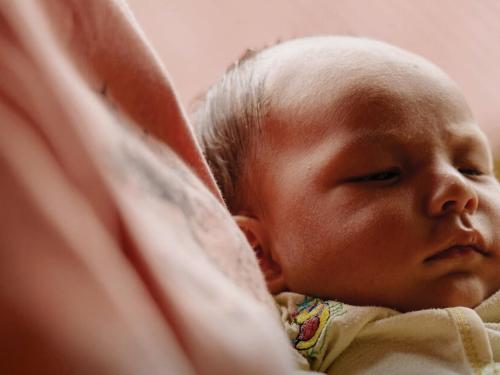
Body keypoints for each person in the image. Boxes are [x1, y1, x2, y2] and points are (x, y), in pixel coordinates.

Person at [193, 36, 500, 373]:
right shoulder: (276, 341)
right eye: (383, 174)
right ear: (256, 253)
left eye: (471, 168)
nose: (458, 190)